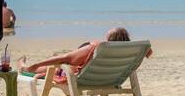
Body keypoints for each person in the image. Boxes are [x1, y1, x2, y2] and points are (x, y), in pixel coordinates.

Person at [22, 26, 152, 86]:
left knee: (58, 65)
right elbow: (149, 51)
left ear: (109, 40)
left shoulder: (99, 48)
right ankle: (28, 67)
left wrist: (37, 64)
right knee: (60, 64)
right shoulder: (130, 51)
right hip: (109, 80)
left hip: (77, 77)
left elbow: (65, 58)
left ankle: (25, 67)